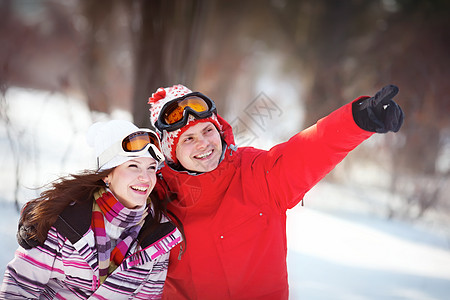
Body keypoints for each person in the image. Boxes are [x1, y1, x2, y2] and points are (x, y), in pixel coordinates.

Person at [147, 84, 404, 299]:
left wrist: (355, 121)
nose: (204, 143)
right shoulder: (152, 200)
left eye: (207, 130)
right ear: (171, 152)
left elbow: (308, 151)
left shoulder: (256, 174)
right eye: (188, 139)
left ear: (220, 131)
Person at [0, 120, 183, 299]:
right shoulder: (65, 222)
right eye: (133, 166)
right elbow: (19, 288)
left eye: (151, 168)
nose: (145, 177)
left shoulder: (158, 237)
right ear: (107, 175)